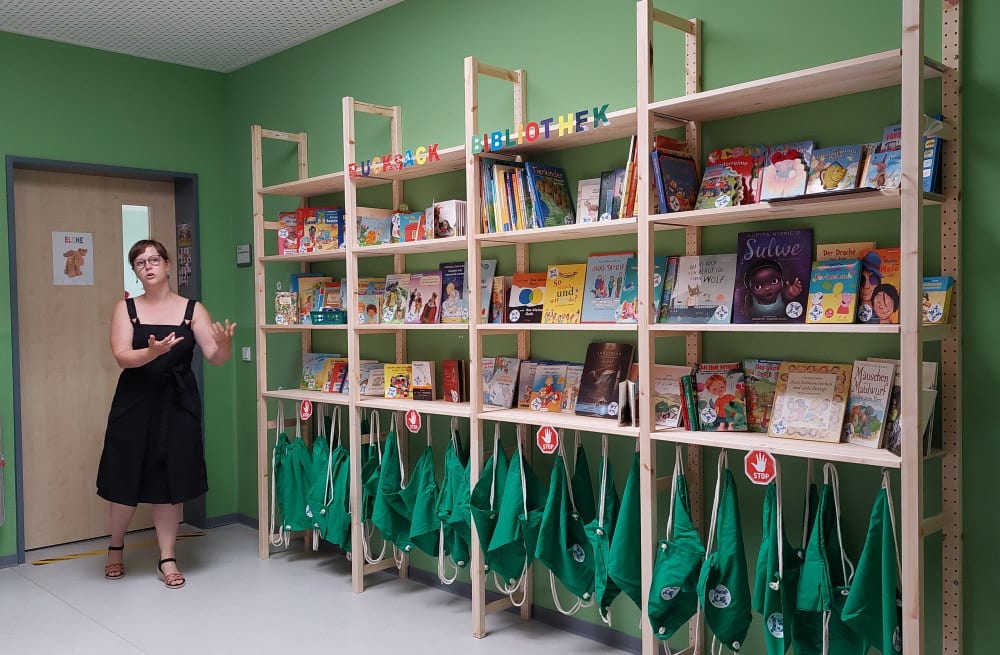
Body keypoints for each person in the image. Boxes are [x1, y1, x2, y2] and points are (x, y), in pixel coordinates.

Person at [96, 239, 236, 589]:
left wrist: (226, 344)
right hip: (135, 401)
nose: (149, 266)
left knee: (168, 479)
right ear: (136, 271)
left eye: (154, 259)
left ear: (168, 264)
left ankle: (167, 556)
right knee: (124, 474)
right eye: (140, 262)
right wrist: (151, 352)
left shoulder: (193, 309)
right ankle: (115, 547)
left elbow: (215, 357)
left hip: (178, 402)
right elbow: (122, 356)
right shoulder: (125, 308)